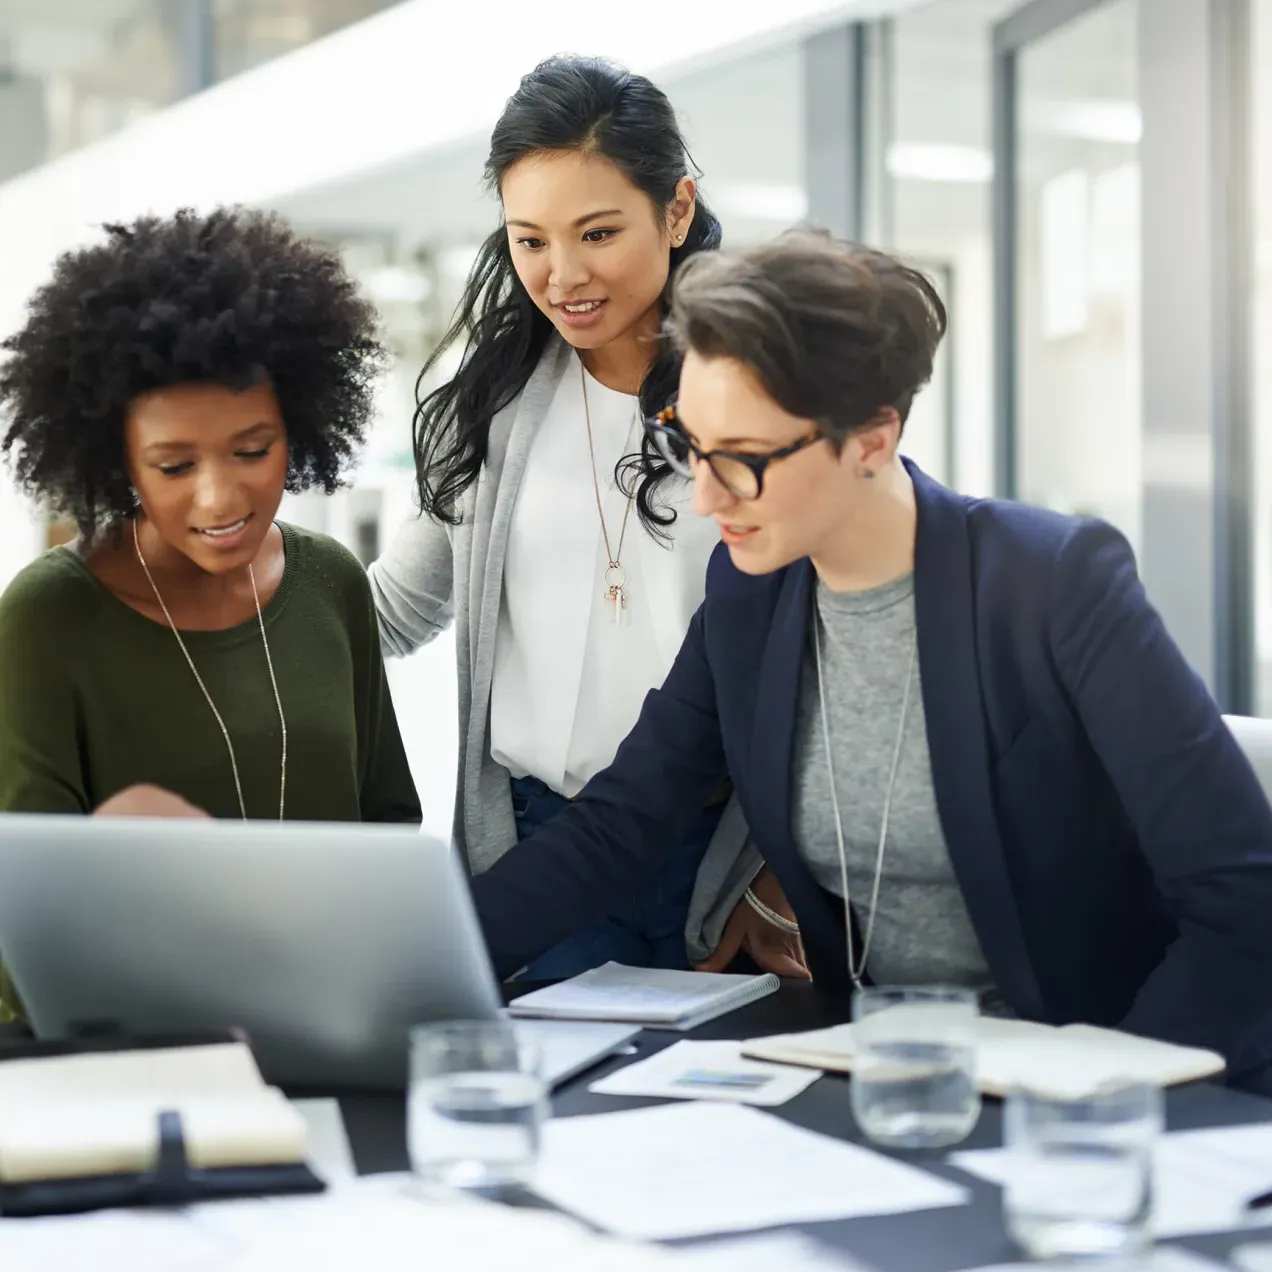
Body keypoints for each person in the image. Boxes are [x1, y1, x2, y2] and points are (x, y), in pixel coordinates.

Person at [469, 228, 1272, 1093]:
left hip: (1099, 1082)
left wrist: (1096, 1100)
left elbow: (1241, 898)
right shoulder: (750, 599)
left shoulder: (1052, 584)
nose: (704, 496)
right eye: (689, 447)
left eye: (740, 461)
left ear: (871, 439)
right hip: (883, 1080)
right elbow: (619, 826)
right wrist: (432, 959)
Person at [369, 55, 805, 979]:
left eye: (598, 232)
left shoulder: (761, 398)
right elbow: (395, 611)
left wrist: (772, 876)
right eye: (529, 241)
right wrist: (207, 579)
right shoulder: (487, 406)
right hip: (536, 849)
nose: (562, 275)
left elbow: (828, 649)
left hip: (723, 856)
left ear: (677, 211)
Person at [0, 206, 421, 830]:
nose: (220, 500)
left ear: (299, 429)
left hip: (337, 932)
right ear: (119, 462)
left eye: (252, 451)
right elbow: (30, 892)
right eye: (173, 466)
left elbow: (389, 822)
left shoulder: (332, 581)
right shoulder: (50, 615)